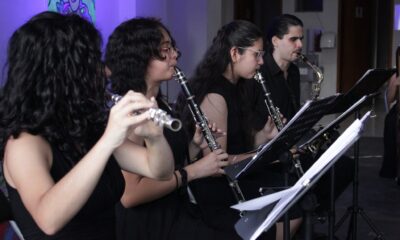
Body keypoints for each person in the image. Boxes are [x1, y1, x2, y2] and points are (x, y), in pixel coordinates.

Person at [0, 12, 174, 240]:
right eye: (92, 62)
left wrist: (154, 138)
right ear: (63, 73)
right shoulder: (24, 142)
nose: (105, 72)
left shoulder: (84, 127)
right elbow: (49, 220)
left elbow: (159, 170)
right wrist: (108, 140)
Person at [175, 19, 302, 240]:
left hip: (239, 176)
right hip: (216, 189)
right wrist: (266, 154)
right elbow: (219, 164)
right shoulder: (215, 95)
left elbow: (241, 142)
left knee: (296, 197)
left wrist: (265, 137)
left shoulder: (240, 86)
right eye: (257, 54)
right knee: (291, 206)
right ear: (235, 54)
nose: (262, 61)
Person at [105, 17, 230, 240]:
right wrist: (195, 170)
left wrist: (193, 146)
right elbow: (131, 195)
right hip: (148, 225)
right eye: (166, 49)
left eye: (172, 47)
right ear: (140, 58)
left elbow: (160, 165)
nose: (176, 54)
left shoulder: (159, 103)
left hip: (174, 211)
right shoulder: (131, 111)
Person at [253, 13, 355, 223]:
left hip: (291, 141)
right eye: (293, 39)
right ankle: (303, 213)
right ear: (275, 41)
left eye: (301, 39)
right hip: (270, 148)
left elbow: (292, 113)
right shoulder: (258, 73)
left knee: (344, 166)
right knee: (313, 174)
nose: (300, 44)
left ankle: (313, 212)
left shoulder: (293, 71)